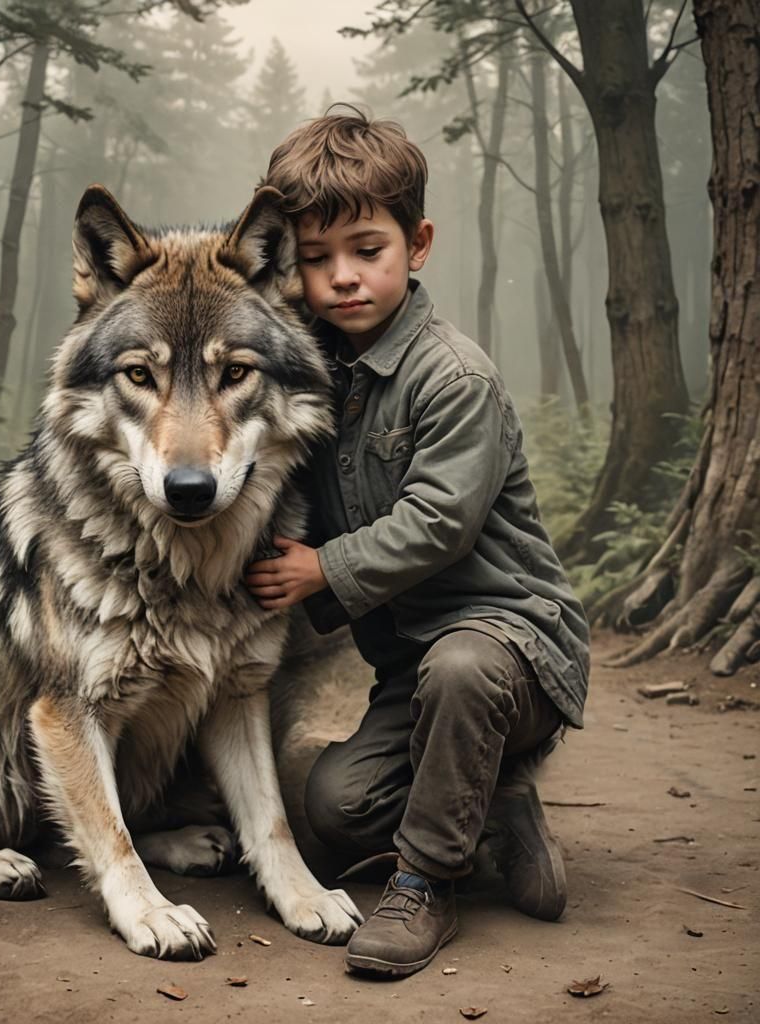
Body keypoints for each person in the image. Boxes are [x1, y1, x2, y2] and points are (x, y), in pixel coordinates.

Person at [244, 108, 590, 979]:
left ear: (419, 243)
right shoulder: (308, 372)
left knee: (464, 669)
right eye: (316, 259)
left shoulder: (453, 375)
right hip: (413, 670)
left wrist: (324, 568)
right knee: (332, 809)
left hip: (513, 641)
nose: (342, 278)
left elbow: (441, 520)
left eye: (368, 250)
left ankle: (425, 882)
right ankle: (496, 806)